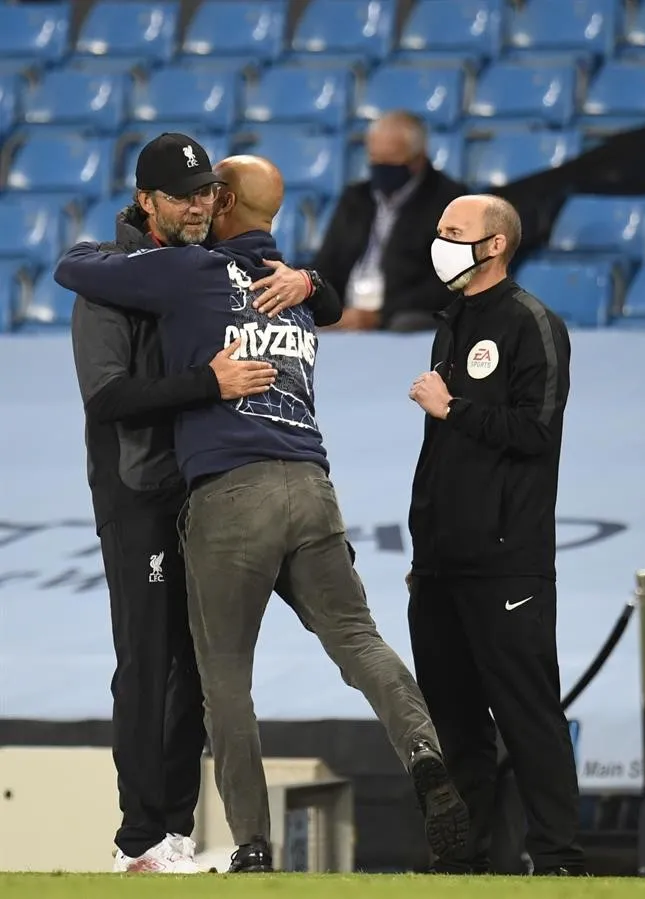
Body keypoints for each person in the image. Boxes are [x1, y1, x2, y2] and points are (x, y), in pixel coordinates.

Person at [55, 154, 470, 875]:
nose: (198, 204)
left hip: (229, 493)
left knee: (222, 676)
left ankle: (250, 842)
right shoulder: (294, 290)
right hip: (312, 484)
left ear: (221, 203)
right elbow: (332, 302)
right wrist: (313, 280)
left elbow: (75, 267)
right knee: (359, 641)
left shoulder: (190, 271)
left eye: (207, 193)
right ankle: (425, 753)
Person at [71, 132, 343, 874]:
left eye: (205, 195)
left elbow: (321, 299)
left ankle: (174, 835)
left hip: (202, 493)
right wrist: (208, 385)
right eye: (182, 197)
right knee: (146, 658)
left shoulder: (209, 263)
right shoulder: (109, 279)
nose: (197, 208)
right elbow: (107, 398)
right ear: (145, 200)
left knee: (193, 664)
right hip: (138, 491)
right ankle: (138, 839)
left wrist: (310, 280)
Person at [406, 194, 585, 876]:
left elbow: (536, 429)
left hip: (508, 560)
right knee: (454, 720)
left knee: (527, 712)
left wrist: (452, 407)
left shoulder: (531, 322)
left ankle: (559, 857)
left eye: (453, 232)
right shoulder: (450, 322)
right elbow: (443, 455)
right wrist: (424, 548)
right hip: (439, 563)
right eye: (439, 230)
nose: (440, 242)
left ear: (494, 245)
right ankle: (463, 863)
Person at [313, 111, 464, 333]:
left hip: (402, 315)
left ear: (418, 158)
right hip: (347, 313)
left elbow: (446, 283)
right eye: (375, 159)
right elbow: (326, 264)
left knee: (405, 324)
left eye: (391, 160)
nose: (382, 167)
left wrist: (380, 315)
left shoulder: (450, 202)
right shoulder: (355, 199)